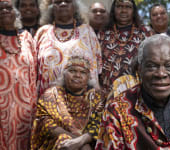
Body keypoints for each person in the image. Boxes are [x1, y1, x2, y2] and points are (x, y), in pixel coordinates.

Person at [95, 34, 170, 150]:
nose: (161, 74)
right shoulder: (118, 109)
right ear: (139, 69)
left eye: (169, 66)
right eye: (151, 66)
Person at [31, 56, 104, 150]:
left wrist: (81, 141)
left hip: (89, 142)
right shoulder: (51, 95)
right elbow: (46, 125)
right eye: (72, 71)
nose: (77, 75)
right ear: (64, 74)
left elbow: (98, 125)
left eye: (83, 72)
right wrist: (78, 142)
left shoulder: (96, 97)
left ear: (89, 77)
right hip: (56, 143)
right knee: (64, 140)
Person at [35, 0, 102, 95]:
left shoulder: (88, 31)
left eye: (67, 1)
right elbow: (33, 70)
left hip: (82, 100)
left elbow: (97, 68)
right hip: (48, 101)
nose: (63, 4)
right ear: (51, 7)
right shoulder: (42, 33)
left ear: (75, 6)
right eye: (58, 2)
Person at [0, 0, 37, 149]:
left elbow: (33, 73)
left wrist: (34, 104)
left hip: (24, 107)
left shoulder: (26, 37)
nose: (4, 11)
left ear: (16, 12)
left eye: (8, 8)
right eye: (0, 9)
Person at [98, 0, 153, 98]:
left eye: (128, 7)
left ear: (134, 11)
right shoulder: (103, 33)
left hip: (138, 93)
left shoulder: (145, 32)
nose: (123, 10)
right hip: (108, 94)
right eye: (119, 6)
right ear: (113, 10)